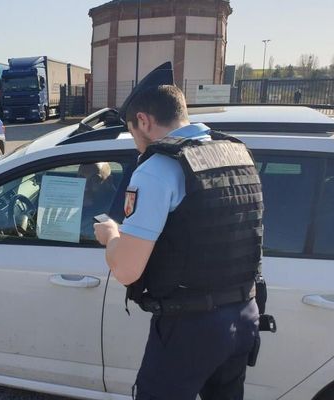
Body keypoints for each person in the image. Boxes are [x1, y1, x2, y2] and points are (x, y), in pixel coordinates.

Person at [94, 62, 268, 400]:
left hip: (191, 328)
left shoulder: (159, 168)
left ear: (143, 121)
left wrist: (112, 236)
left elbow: (127, 270)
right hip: (244, 314)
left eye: (132, 132)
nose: (135, 143)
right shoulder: (237, 153)